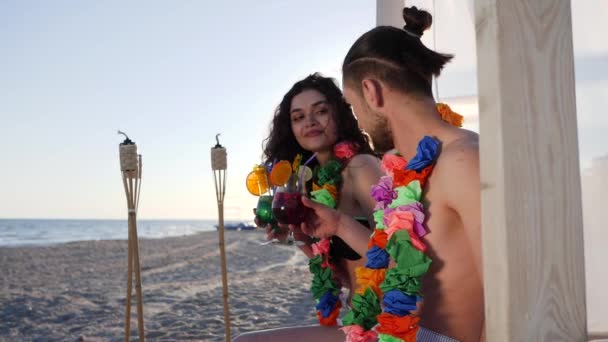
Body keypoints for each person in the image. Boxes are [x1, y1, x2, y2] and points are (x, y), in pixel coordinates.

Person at [299, 6, 485, 342]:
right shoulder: (409, 167)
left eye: (354, 108)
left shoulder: (462, 160)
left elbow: (511, 294)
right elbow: (399, 262)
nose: (359, 121)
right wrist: (339, 224)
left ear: (372, 92)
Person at [234, 73, 385, 341]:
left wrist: (340, 225)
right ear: (291, 129)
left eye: (321, 111)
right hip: (356, 321)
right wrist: (299, 236)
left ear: (339, 114)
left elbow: (397, 255)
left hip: (390, 322)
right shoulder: (315, 184)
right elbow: (338, 274)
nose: (310, 122)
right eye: (298, 117)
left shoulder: (362, 167)